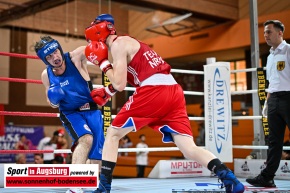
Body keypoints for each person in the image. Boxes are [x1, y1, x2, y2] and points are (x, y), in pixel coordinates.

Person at [84, 14, 244, 193]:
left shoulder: (118, 45)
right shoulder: (131, 43)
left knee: (113, 134)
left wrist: (104, 63)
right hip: (173, 91)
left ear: (99, 30)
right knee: (188, 148)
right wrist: (107, 91)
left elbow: (120, 84)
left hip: (155, 91)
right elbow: (132, 77)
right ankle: (229, 178)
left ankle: (104, 187)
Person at [34, 35, 106, 193]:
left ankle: (87, 176)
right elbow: (51, 103)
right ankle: (74, 184)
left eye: (55, 52)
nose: (55, 57)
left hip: (91, 109)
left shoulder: (75, 57)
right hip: (70, 113)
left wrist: (102, 38)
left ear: (59, 48)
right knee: (86, 139)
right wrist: (54, 97)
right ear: (45, 60)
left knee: (97, 153)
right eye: (49, 56)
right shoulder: (46, 75)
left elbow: (97, 50)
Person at [246, 20, 290, 187]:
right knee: (274, 141)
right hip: (274, 101)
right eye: (264, 32)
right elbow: (272, 82)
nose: (265, 35)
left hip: (289, 98)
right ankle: (267, 177)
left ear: (280, 33)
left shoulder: (288, 51)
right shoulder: (270, 56)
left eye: (269, 32)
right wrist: (267, 101)